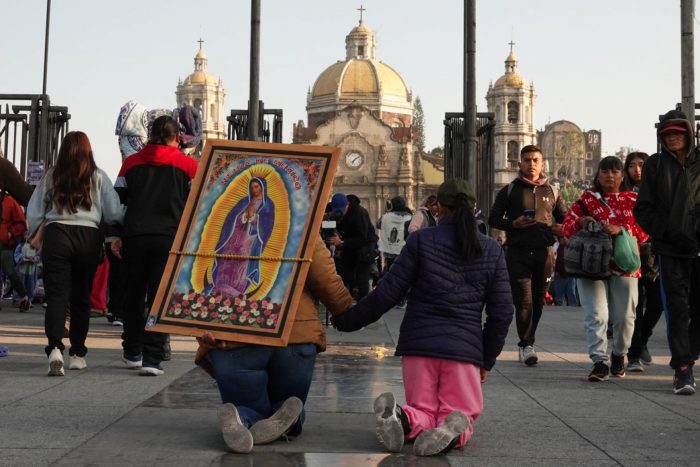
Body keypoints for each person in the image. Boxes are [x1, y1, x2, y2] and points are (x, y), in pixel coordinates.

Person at [333, 179, 513, 457]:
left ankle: (403, 418)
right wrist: (485, 358)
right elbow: (502, 312)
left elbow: (388, 292)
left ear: (437, 208)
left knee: (423, 411)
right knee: (460, 415)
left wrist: (347, 320)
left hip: (418, 347)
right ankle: (451, 431)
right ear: (473, 208)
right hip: (463, 352)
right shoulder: (491, 249)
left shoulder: (421, 240)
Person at [195, 236, 353, 454]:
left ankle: (242, 418)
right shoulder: (303, 223)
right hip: (294, 336)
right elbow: (325, 278)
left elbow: (194, 277)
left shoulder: (216, 223)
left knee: (247, 403)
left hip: (236, 333)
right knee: (288, 403)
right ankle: (287, 420)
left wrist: (200, 327)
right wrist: (344, 311)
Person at [26, 131, 124, 376]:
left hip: (57, 233)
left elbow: (35, 210)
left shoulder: (52, 175)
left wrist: (33, 235)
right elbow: (113, 213)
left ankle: (55, 348)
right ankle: (78, 353)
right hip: (87, 237)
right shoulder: (97, 176)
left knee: (57, 296)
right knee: (81, 297)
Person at [112, 115, 198, 376]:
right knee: (160, 298)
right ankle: (153, 358)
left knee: (133, 295)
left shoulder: (130, 163)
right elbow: (197, 205)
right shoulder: (188, 165)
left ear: (149, 135)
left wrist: (115, 235)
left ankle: (132, 351)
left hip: (135, 237)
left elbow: (118, 205)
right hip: (168, 239)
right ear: (176, 137)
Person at [562, 156, 648, 382]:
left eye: (615, 171)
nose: (610, 175)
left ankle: (619, 354)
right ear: (598, 175)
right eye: (605, 171)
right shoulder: (586, 200)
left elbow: (646, 230)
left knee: (625, 317)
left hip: (626, 266)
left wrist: (621, 229)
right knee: (596, 315)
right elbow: (566, 227)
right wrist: (581, 222)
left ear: (622, 176)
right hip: (590, 266)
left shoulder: (635, 199)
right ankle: (599, 362)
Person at [634, 110, 700, 395]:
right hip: (671, 249)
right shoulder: (656, 165)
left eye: (678, 133)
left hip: (699, 247)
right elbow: (643, 209)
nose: (673, 138)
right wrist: (668, 230)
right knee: (678, 309)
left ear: (688, 134)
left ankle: (690, 353)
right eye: (668, 134)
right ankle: (682, 368)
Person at [488, 144, 566, 366]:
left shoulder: (553, 191)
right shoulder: (510, 190)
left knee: (539, 302)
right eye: (527, 160)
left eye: (535, 160)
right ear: (520, 163)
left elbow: (565, 218)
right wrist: (513, 223)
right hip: (517, 253)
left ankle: (528, 341)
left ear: (542, 164)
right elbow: (493, 218)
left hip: (545, 254)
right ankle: (526, 344)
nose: (531, 164)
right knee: (524, 301)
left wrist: (559, 228)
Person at [622, 152, 662, 371]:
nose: (637, 170)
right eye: (632, 165)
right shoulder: (623, 193)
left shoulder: (659, 190)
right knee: (634, 307)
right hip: (629, 255)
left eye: (642, 165)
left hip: (654, 255)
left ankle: (644, 338)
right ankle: (634, 354)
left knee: (657, 303)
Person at [208, 177, 274, 297]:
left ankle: (236, 291)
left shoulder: (267, 205)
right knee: (226, 259)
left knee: (242, 264)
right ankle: (220, 287)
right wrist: (244, 216)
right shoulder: (245, 201)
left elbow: (267, 224)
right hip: (235, 236)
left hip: (251, 240)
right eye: (252, 187)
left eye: (256, 187)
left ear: (262, 188)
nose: (254, 190)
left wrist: (254, 218)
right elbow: (232, 217)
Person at [326, 193, 377, 300]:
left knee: (361, 279)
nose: (339, 214)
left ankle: (362, 306)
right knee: (342, 274)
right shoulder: (330, 208)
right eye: (336, 211)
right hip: (347, 247)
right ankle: (344, 303)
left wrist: (342, 242)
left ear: (347, 205)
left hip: (364, 249)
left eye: (341, 210)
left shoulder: (359, 213)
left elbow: (362, 238)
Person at [0, 192, 30, 311]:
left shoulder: (9, 201)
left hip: (5, 243)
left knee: (9, 270)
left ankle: (24, 297)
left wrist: (10, 233)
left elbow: (21, 223)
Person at [377, 196, 412, 275]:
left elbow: (378, 225)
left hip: (390, 251)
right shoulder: (409, 216)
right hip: (404, 251)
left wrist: (386, 212)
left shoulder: (387, 216)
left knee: (390, 273)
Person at [13, 237, 40, 308]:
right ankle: (18, 299)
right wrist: (22, 258)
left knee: (31, 284)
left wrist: (34, 259)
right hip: (21, 267)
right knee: (20, 282)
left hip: (31, 268)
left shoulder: (36, 246)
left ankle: (29, 300)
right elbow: (16, 254)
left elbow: (38, 255)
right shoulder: (21, 245)